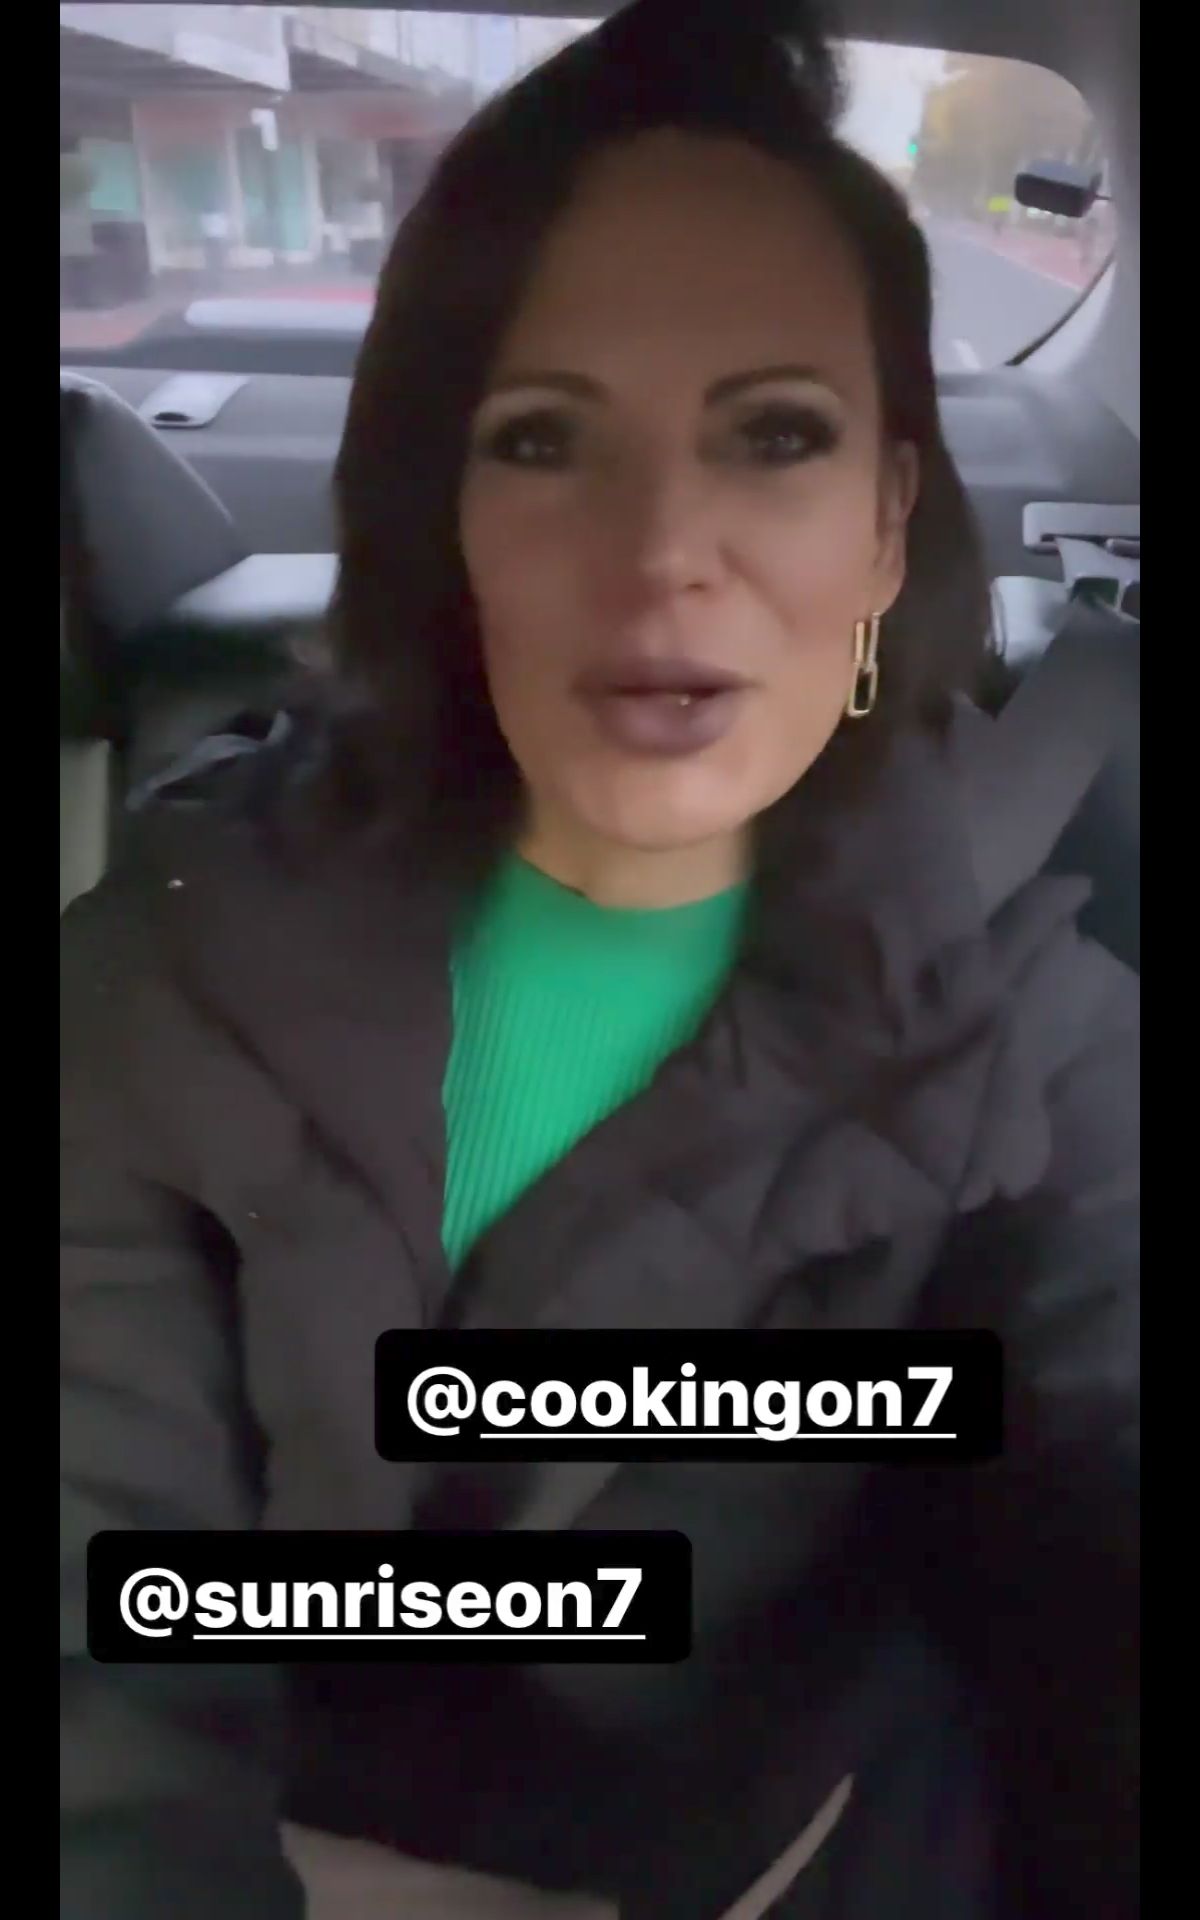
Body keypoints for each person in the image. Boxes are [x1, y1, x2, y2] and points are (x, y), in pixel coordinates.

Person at [60, 3, 1139, 1917]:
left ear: (891, 521)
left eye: (776, 435)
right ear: (450, 516)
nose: (663, 554)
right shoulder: (159, 976)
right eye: (546, 439)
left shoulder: (1039, 1042)